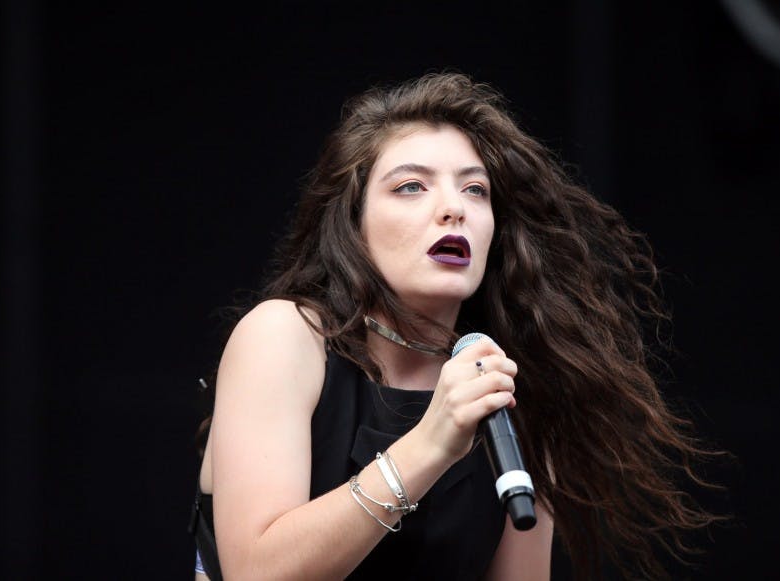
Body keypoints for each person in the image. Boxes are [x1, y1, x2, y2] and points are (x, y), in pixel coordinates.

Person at [189, 72, 723, 580]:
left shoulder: (507, 387)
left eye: (475, 190)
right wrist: (429, 446)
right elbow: (254, 572)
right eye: (411, 187)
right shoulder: (286, 338)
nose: (453, 209)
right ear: (352, 222)